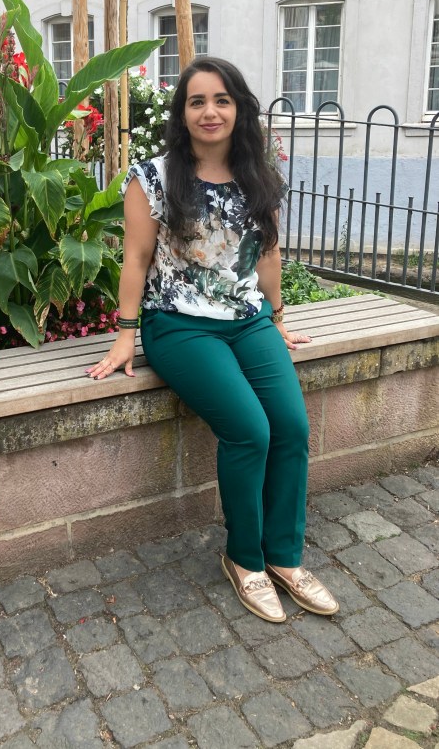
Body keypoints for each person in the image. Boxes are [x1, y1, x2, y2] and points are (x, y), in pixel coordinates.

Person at [87, 56, 338, 623]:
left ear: (238, 108)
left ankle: (285, 557)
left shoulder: (258, 177)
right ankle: (244, 559)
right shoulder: (151, 178)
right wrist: (125, 335)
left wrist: (277, 317)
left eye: (221, 100)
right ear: (182, 113)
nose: (210, 111)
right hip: (179, 325)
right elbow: (135, 258)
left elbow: (267, 253)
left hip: (248, 320)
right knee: (249, 431)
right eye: (197, 101)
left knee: (292, 428)